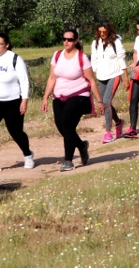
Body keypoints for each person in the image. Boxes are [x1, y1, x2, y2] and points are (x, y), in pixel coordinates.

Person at [42, 29, 104, 171]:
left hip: (79, 95)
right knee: (61, 126)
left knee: (67, 124)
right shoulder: (57, 55)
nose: (66, 42)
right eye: (64, 39)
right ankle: (82, 146)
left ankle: (68, 161)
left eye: (69, 39)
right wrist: (45, 97)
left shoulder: (82, 58)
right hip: (59, 96)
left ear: (76, 41)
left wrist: (100, 101)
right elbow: (52, 78)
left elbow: (92, 81)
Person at [0, 32, 34, 172]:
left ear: (7, 44)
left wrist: (24, 99)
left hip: (12, 102)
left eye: (0, 44)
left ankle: (28, 154)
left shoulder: (15, 59)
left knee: (15, 132)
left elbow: (24, 80)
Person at [90, 22, 126, 144]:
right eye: (100, 31)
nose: (102, 34)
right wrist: (92, 76)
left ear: (109, 31)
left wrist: (125, 77)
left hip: (114, 74)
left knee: (106, 102)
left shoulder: (116, 42)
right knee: (105, 104)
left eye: (104, 32)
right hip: (101, 76)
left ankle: (108, 133)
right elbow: (94, 60)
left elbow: (121, 58)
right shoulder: (95, 43)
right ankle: (119, 122)